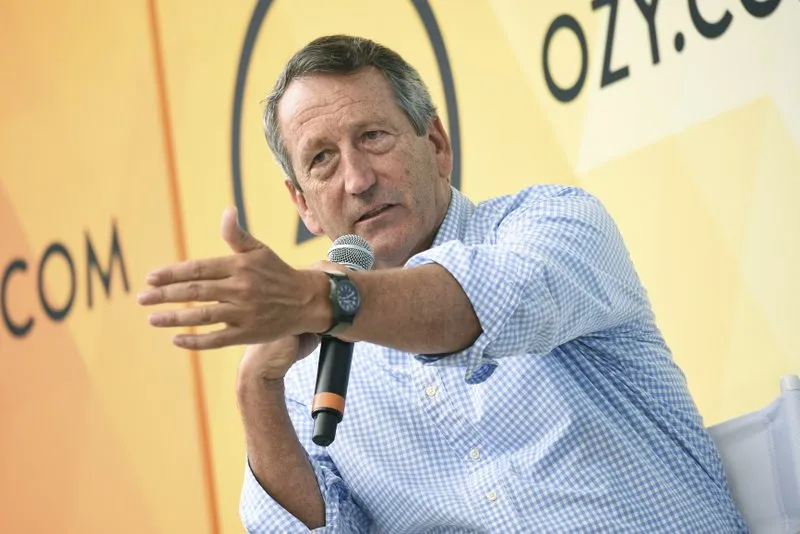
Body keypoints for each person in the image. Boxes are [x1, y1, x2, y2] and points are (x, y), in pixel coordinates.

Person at [138, 35, 747, 532]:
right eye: (322, 159)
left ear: (435, 144)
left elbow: (476, 304)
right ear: (302, 204)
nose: (357, 179)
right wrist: (257, 387)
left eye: (373, 137)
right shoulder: (302, 377)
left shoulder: (553, 223)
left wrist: (325, 301)